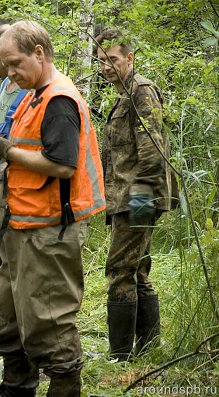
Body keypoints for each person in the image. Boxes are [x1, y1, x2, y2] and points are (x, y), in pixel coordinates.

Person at [0, 20, 106, 396]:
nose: (10, 74)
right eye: (5, 66)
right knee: (8, 320)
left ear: (39, 52)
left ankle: (65, 386)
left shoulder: (59, 101)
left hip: (50, 232)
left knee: (49, 326)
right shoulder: (33, 93)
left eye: (15, 64)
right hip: (20, 228)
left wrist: (7, 151)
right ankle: (17, 386)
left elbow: (63, 165)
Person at [95, 29, 172, 361]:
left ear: (129, 57)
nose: (105, 67)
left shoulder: (140, 91)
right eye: (100, 61)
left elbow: (152, 151)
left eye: (112, 59)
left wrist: (139, 204)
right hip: (128, 195)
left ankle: (120, 355)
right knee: (137, 269)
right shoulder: (122, 93)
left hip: (138, 196)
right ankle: (148, 349)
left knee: (119, 268)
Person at [0, 24, 28, 270]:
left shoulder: (27, 90)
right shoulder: (3, 86)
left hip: (15, 173)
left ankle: (11, 275)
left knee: (11, 232)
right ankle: (0, 272)